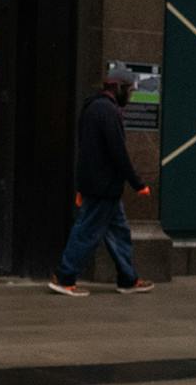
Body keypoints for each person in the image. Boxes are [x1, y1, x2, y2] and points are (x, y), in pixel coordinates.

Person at [53, 75, 155, 296]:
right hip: (104, 186)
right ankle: (65, 277)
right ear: (118, 89)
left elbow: (86, 151)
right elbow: (118, 152)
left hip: (97, 184)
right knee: (87, 232)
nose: (130, 96)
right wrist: (137, 183)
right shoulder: (108, 112)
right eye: (129, 91)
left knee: (118, 232)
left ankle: (128, 279)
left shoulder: (91, 108)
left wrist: (81, 186)